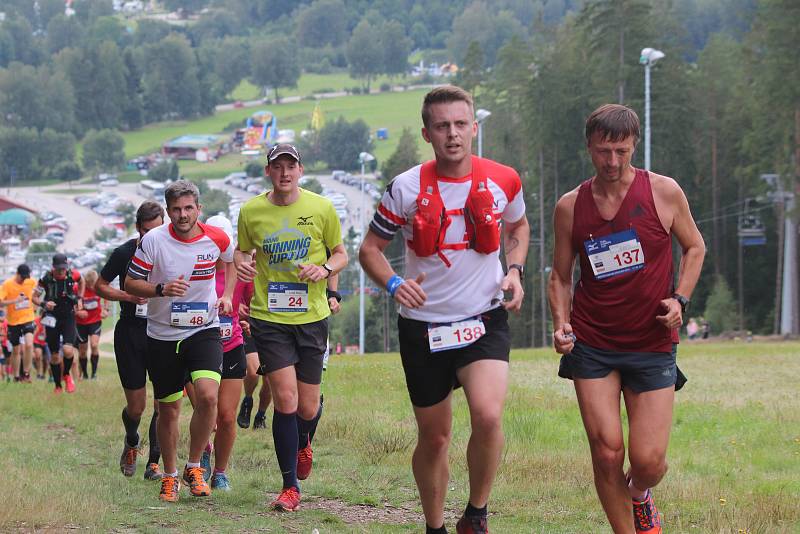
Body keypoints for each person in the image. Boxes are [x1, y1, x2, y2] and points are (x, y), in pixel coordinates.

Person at [359, 85, 529, 534]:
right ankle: (434, 525)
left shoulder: (503, 179)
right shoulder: (406, 187)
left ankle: (476, 513)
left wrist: (515, 271)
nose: (452, 134)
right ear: (427, 133)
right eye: (442, 126)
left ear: (474, 128)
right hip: (424, 328)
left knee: (489, 415)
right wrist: (395, 283)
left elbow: (518, 224)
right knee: (435, 438)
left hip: (483, 318)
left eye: (460, 124)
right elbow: (370, 250)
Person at [548, 104, 705, 534]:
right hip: (593, 344)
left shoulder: (663, 192)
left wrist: (680, 299)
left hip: (652, 342)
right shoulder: (570, 207)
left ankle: (640, 494)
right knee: (606, 452)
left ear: (634, 145)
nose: (612, 161)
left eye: (621, 151)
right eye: (603, 151)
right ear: (589, 148)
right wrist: (561, 323)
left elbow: (695, 247)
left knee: (649, 462)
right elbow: (560, 277)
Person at [235, 143, 348, 512]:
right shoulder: (251, 211)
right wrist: (242, 264)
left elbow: (341, 253)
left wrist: (325, 270)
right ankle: (290, 486)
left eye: (291, 166)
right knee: (285, 399)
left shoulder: (321, 208)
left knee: (308, 405)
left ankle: (303, 441)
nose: (284, 172)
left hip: (312, 317)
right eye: (277, 166)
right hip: (270, 317)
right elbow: (242, 250)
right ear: (268, 172)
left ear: (301, 170)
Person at [126, 182, 235, 503]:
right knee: (169, 409)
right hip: (162, 335)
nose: (182, 214)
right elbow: (132, 282)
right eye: (176, 209)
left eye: (188, 208)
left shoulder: (216, 237)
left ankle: (194, 467)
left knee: (208, 397)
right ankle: (171, 476)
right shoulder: (153, 241)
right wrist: (160, 289)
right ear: (167, 210)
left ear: (198, 209)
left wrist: (227, 294)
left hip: (204, 329)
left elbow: (231, 258)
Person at [95, 200, 165, 481]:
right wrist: (127, 295)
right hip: (131, 332)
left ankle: (155, 464)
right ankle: (132, 440)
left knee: (164, 403)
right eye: (147, 231)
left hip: (162, 330)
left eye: (158, 230)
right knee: (137, 406)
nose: (153, 237)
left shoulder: (170, 251)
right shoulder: (123, 252)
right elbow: (99, 285)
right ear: (138, 229)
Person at [36, 253, 83, 393]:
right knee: (55, 356)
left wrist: (79, 298)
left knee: (68, 350)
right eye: (59, 269)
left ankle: (67, 375)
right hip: (51, 318)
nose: (62, 271)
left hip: (68, 316)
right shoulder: (45, 279)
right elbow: (34, 298)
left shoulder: (72, 274)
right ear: (53, 267)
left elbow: (82, 281)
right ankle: (57, 385)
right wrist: (44, 303)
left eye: (63, 268)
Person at [0, 264, 39, 382]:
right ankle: (16, 376)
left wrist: (36, 303)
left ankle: (26, 373)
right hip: (13, 321)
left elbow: (39, 291)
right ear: (17, 274)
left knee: (28, 344)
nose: (24, 280)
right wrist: (15, 301)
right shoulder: (7, 284)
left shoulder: (31, 281)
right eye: (22, 277)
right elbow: (1, 303)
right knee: (16, 350)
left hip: (28, 317)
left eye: (26, 277)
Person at [75, 270, 107, 380]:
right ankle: (84, 374)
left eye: (92, 284)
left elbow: (106, 295)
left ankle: (94, 374)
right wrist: (78, 312)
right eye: (88, 284)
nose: (90, 286)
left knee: (94, 345)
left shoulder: (99, 287)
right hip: (81, 323)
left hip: (95, 321)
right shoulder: (78, 288)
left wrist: (105, 309)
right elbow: (70, 304)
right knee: (83, 350)